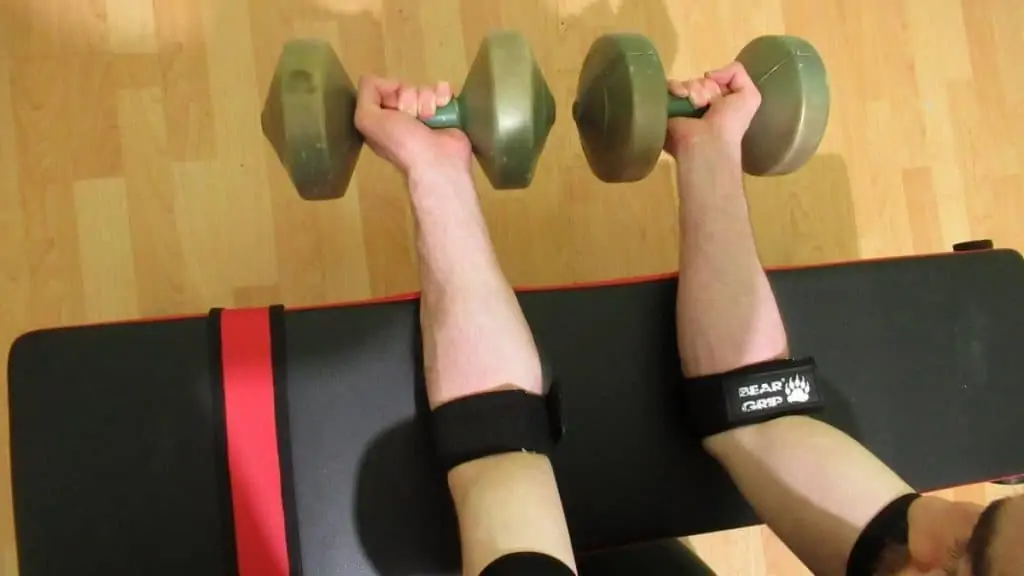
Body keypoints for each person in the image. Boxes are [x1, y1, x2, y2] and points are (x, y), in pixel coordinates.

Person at [352, 65, 1024, 576]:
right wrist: (710, 154)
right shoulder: (927, 547)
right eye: (980, 517)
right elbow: (753, 410)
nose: (935, 534)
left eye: (963, 558)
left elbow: (497, 446)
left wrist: (434, 176)